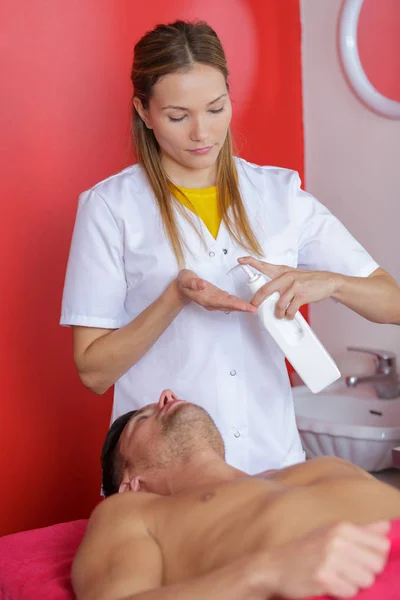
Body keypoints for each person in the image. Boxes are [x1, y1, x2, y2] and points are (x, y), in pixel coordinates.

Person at [60, 20, 400, 475]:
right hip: (167, 475)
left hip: (273, 463)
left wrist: (330, 282)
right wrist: (174, 298)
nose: (202, 133)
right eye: (178, 116)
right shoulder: (111, 207)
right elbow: (93, 371)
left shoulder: (280, 196)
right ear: (144, 110)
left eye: (216, 108)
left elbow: (391, 304)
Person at [72, 389, 400, 600]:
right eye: (142, 418)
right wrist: (267, 572)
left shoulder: (324, 465)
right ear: (132, 483)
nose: (167, 395)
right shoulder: (130, 512)